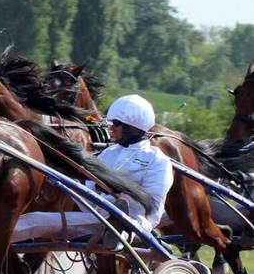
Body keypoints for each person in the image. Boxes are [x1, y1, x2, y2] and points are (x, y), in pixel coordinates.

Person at [10, 94, 173, 245]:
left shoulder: (157, 160)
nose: (111, 128)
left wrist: (123, 194)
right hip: (97, 216)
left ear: (133, 127)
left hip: (134, 221)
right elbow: (90, 194)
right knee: (34, 220)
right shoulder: (109, 153)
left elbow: (152, 210)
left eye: (116, 123)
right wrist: (67, 180)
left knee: (123, 225)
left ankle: (119, 236)